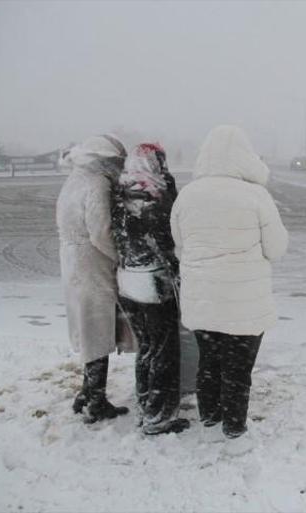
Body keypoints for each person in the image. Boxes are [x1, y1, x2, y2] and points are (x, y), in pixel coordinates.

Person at [171, 125, 288, 439]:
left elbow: (179, 244)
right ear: (245, 156)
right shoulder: (256, 196)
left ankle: (210, 422)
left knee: (208, 363)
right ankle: (234, 432)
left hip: (202, 301)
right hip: (243, 305)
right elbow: (276, 248)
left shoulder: (187, 195)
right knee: (238, 371)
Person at [111, 143, 189, 435]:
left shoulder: (120, 192)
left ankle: (145, 403)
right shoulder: (154, 195)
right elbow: (171, 238)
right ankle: (159, 417)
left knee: (146, 347)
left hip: (127, 282)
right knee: (164, 351)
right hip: (153, 284)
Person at [56, 134, 132, 423]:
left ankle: (88, 392)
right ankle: (95, 400)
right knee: (97, 329)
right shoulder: (97, 183)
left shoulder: (75, 178)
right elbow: (101, 231)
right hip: (92, 263)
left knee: (87, 327)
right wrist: (120, 257)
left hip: (73, 260)